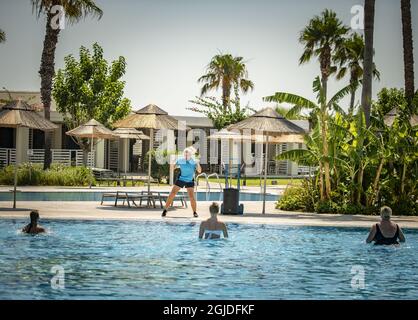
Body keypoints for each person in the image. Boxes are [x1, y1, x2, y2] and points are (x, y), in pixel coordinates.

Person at [162, 147, 202, 218]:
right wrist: (173, 163)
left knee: (192, 197)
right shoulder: (181, 160)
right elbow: (172, 168)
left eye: (187, 154)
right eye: (185, 154)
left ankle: (195, 212)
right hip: (181, 179)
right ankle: (165, 210)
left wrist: (198, 163)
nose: (186, 156)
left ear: (190, 155)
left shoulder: (193, 162)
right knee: (172, 194)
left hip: (189, 180)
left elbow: (199, 171)